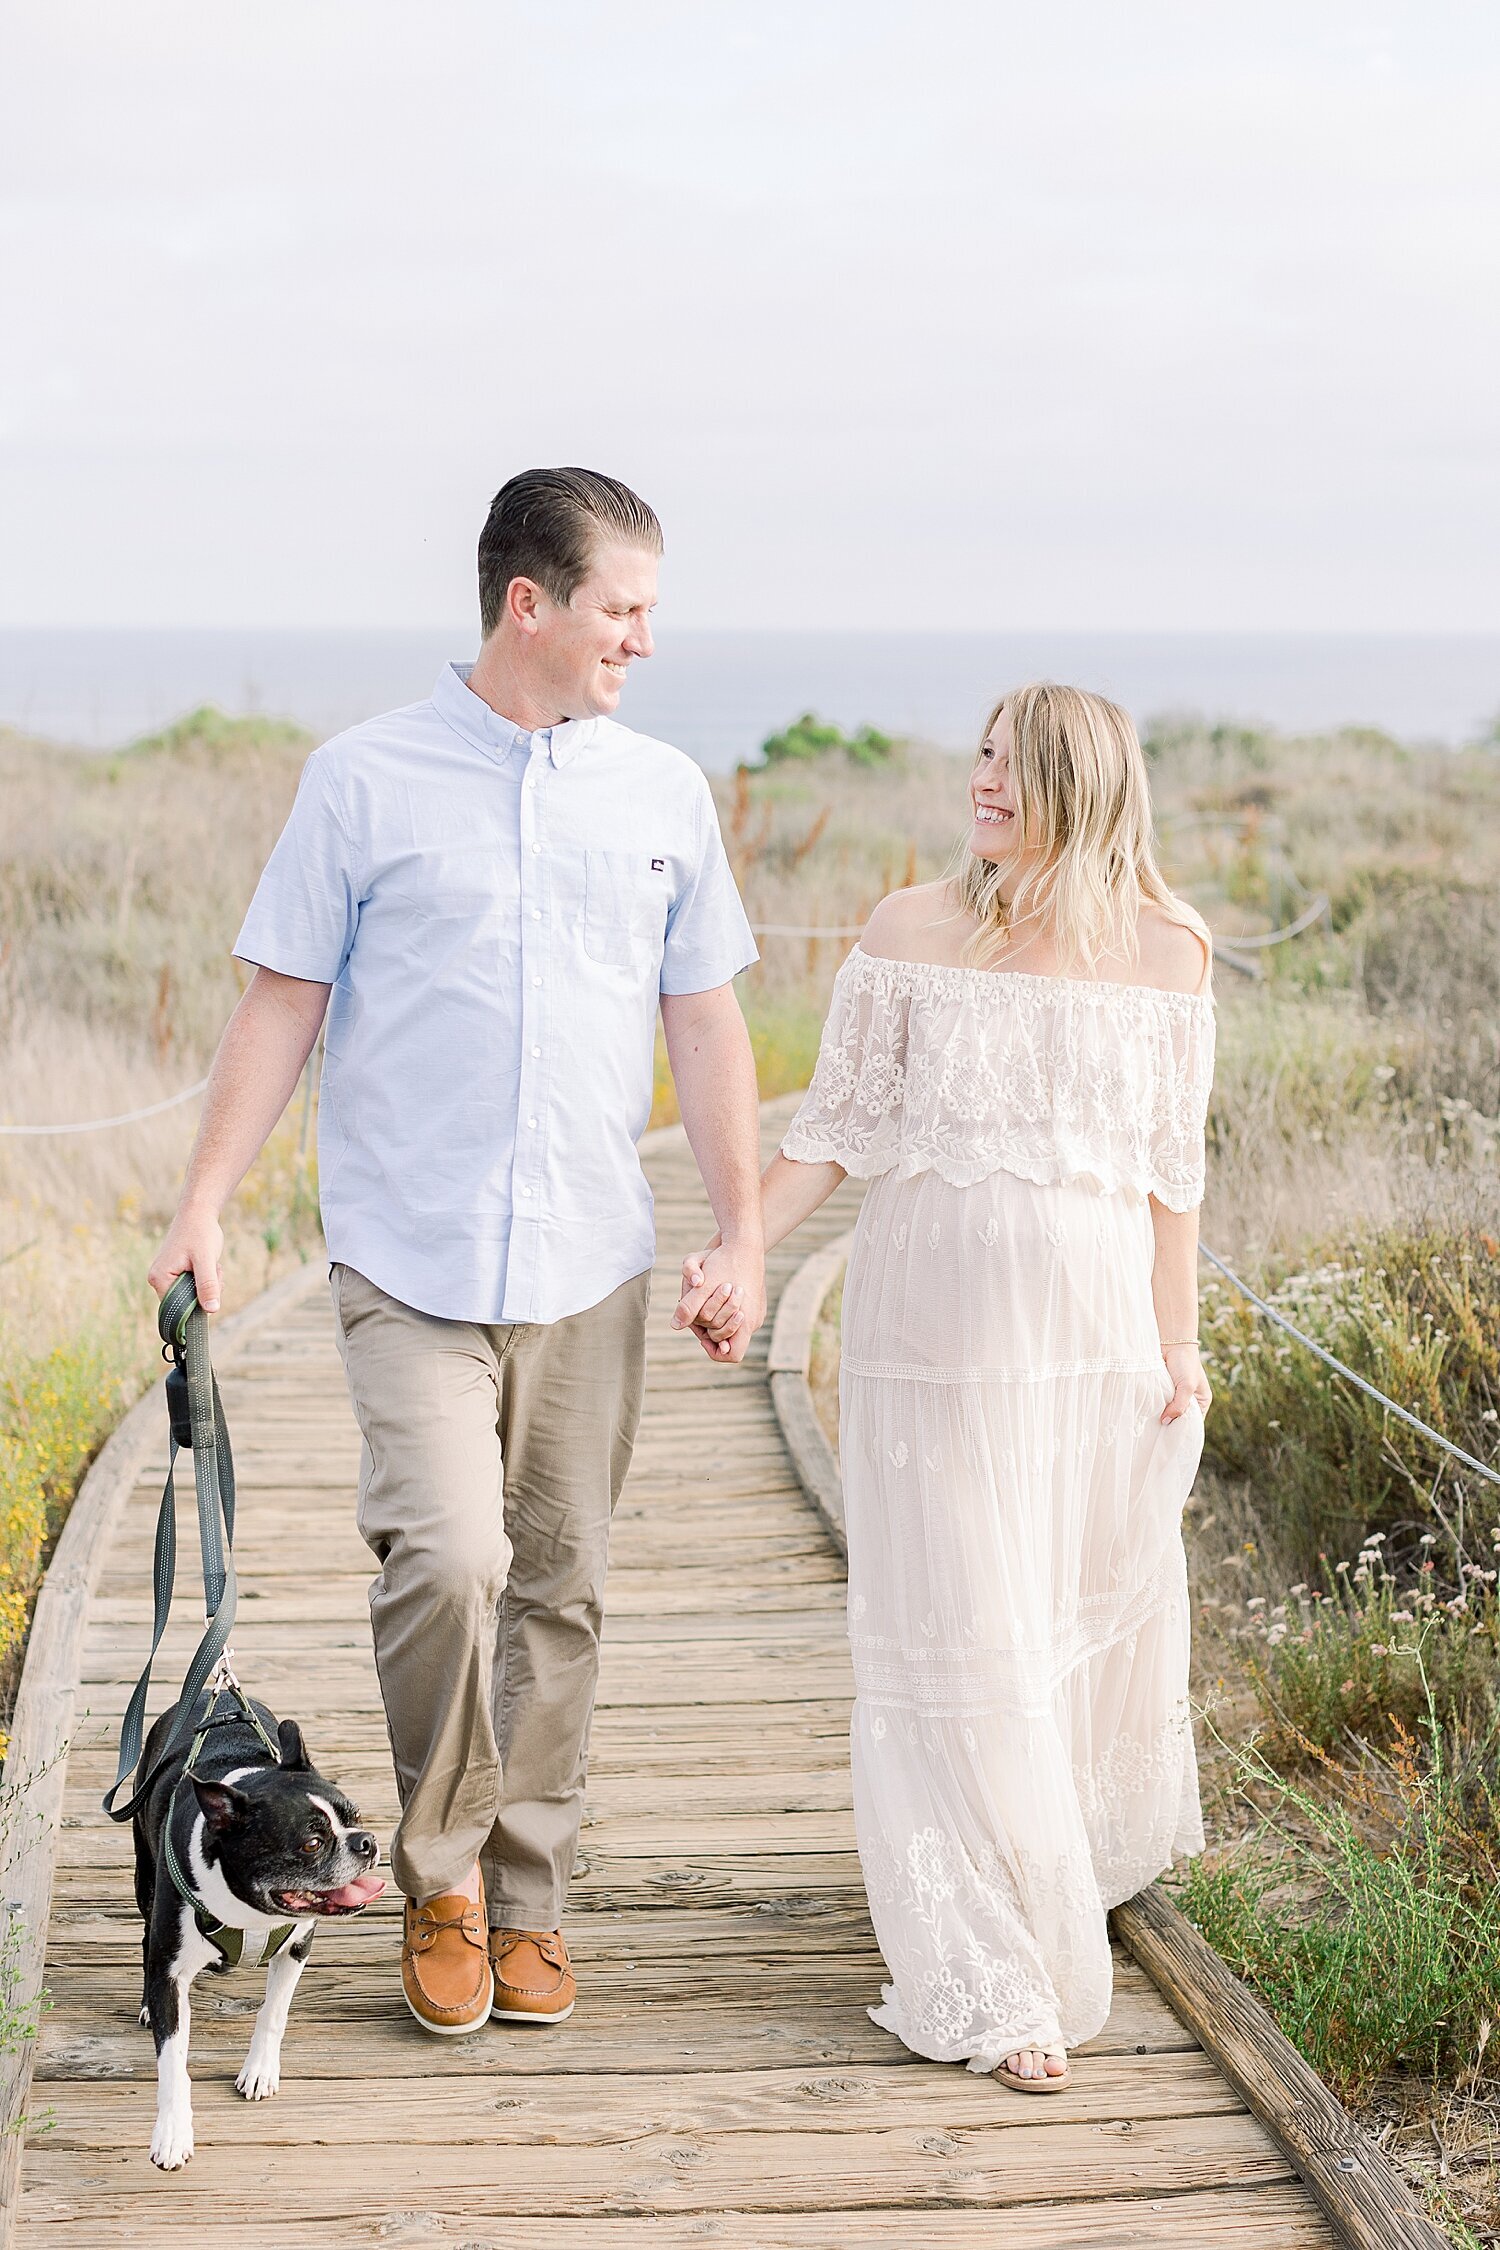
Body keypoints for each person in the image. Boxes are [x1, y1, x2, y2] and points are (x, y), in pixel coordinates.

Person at [149, 467, 766, 2038]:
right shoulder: (362, 779)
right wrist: (203, 1203)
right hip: (406, 1259)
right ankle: (439, 1871)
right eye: (623, 607)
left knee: (560, 1584)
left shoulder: (664, 793)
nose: (641, 639)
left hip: (592, 1259)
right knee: (451, 1558)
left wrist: (744, 1231)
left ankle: (534, 1891)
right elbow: (281, 998)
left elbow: (705, 1021)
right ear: (529, 604)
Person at [677, 682, 1214, 2089]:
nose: (981, 780)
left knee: (1048, 1623)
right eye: (979, 753)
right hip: (928, 1349)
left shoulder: (1170, 952)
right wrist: (743, 1249)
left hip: (1089, 1351)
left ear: (1080, 786)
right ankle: (982, 1969)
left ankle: (1045, 1865)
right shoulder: (908, 930)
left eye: (1012, 762)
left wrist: (1183, 1342)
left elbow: (1173, 1181)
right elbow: (834, 1130)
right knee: (957, 1629)